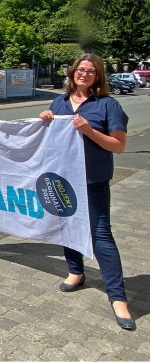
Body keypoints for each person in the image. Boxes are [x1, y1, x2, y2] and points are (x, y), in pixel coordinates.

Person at [39, 54, 135, 331]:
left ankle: (118, 297)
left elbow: (117, 146)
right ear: (72, 73)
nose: (84, 74)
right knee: (67, 225)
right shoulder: (59, 102)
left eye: (91, 71)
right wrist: (45, 119)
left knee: (101, 234)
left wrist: (88, 130)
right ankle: (76, 272)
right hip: (63, 179)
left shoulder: (108, 105)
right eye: (80, 70)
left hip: (92, 180)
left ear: (98, 77)